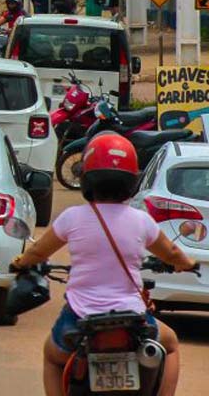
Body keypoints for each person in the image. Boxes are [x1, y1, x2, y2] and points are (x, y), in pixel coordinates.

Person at [10, 133, 197, 396]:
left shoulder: (72, 217)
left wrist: (20, 262)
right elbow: (172, 253)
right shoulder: (141, 220)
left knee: (52, 357)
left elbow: (39, 251)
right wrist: (187, 263)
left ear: (87, 178)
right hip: (132, 319)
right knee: (171, 345)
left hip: (80, 317)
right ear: (131, 180)